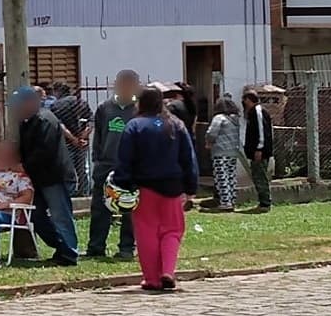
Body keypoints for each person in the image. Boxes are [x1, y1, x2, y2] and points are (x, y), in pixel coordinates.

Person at [112, 86, 198, 292]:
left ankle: (151, 279)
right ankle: (167, 271)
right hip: (172, 186)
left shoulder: (134, 126)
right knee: (172, 230)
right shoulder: (176, 125)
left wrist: (122, 183)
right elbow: (188, 157)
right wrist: (190, 186)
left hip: (144, 187)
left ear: (140, 103)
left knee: (146, 232)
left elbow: (125, 158)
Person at [12, 86, 79, 266]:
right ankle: (60, 246)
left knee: (60, 214)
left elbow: (45, 150)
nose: (16, 109)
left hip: (53, 176)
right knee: (36, 215)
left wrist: (24, 166)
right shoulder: (27, 122)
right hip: (38, 178)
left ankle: (70, 253)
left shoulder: (45, 120)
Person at [87, 69, 140, 259]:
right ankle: (96, 246)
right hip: (106, 164)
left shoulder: (139, 109)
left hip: (130, 167)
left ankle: (126, 247)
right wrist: (98, 160)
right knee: (100, 208)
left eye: (129, 84)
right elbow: (99, 136)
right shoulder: (105, 107)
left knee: (128, 208)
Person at [51, 81, 93, 196]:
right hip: (82, 142)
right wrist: (83, 136)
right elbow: (91, 121)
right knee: (82, 168)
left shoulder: (56, 105)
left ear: (57, 91)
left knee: (67, 168)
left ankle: (70, 192)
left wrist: (73, 139)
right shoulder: (81, 102)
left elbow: (59, 125)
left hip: (66, 142)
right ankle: (84, 191)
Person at [204, 96, 243, 212]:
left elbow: (211, 133)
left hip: (220, 152)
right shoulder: (235, 119)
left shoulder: (219, 118)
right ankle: (231, 200)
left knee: (221, 177)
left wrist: (208, 141)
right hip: (233, 152)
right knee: (231, 177)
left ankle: (225, 202)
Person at [242, 89, 274, 212]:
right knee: (257, 176)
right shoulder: (253, 112)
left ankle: (265, 203)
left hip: (260, 151)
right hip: (255, 151)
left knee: (260, 176)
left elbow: (262, 131)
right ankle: (263, 202)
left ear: (249, 100)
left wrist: (259, 149)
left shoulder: (258, 111)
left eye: (245, 101)